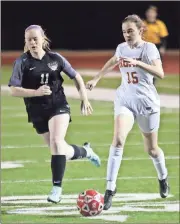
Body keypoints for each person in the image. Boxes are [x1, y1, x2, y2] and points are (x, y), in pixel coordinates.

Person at [8, 24, 101, 204]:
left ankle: (56, 188)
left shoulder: (56, 58)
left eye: (36, 38)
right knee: (59, 150)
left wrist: (85, 99)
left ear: (43, 39)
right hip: (36, 111)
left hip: (58, 106)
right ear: (26, 42)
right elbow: (13, 90)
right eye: (29, 40)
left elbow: (76, 76)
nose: (33, 42)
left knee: (57, 142)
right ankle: (86, 151)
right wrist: (35, 93)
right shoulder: (22, 62)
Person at [86, 15, 170, 210]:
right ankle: (110, 189)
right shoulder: (121, 48)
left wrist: (138, 63)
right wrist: (97, 78)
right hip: (125, 100)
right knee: (118, 140)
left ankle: (163, 177)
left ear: (141, 31)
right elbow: (114, 60)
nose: (127, 35)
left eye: (130, 31)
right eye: (124, 31)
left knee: (152, 149)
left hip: (146, 102)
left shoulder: (149, 48)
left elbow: (161, 73)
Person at [143, 5, 169, 84]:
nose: (150, 14)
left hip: (156, 46)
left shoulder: (160, 24)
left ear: (155, 14)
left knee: (156, 66)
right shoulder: (142, 24)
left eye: (152, 13)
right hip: (145, 46)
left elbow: (164, 37)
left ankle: (152, 82)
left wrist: (163, 47)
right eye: (149, 12)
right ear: (146, 14)